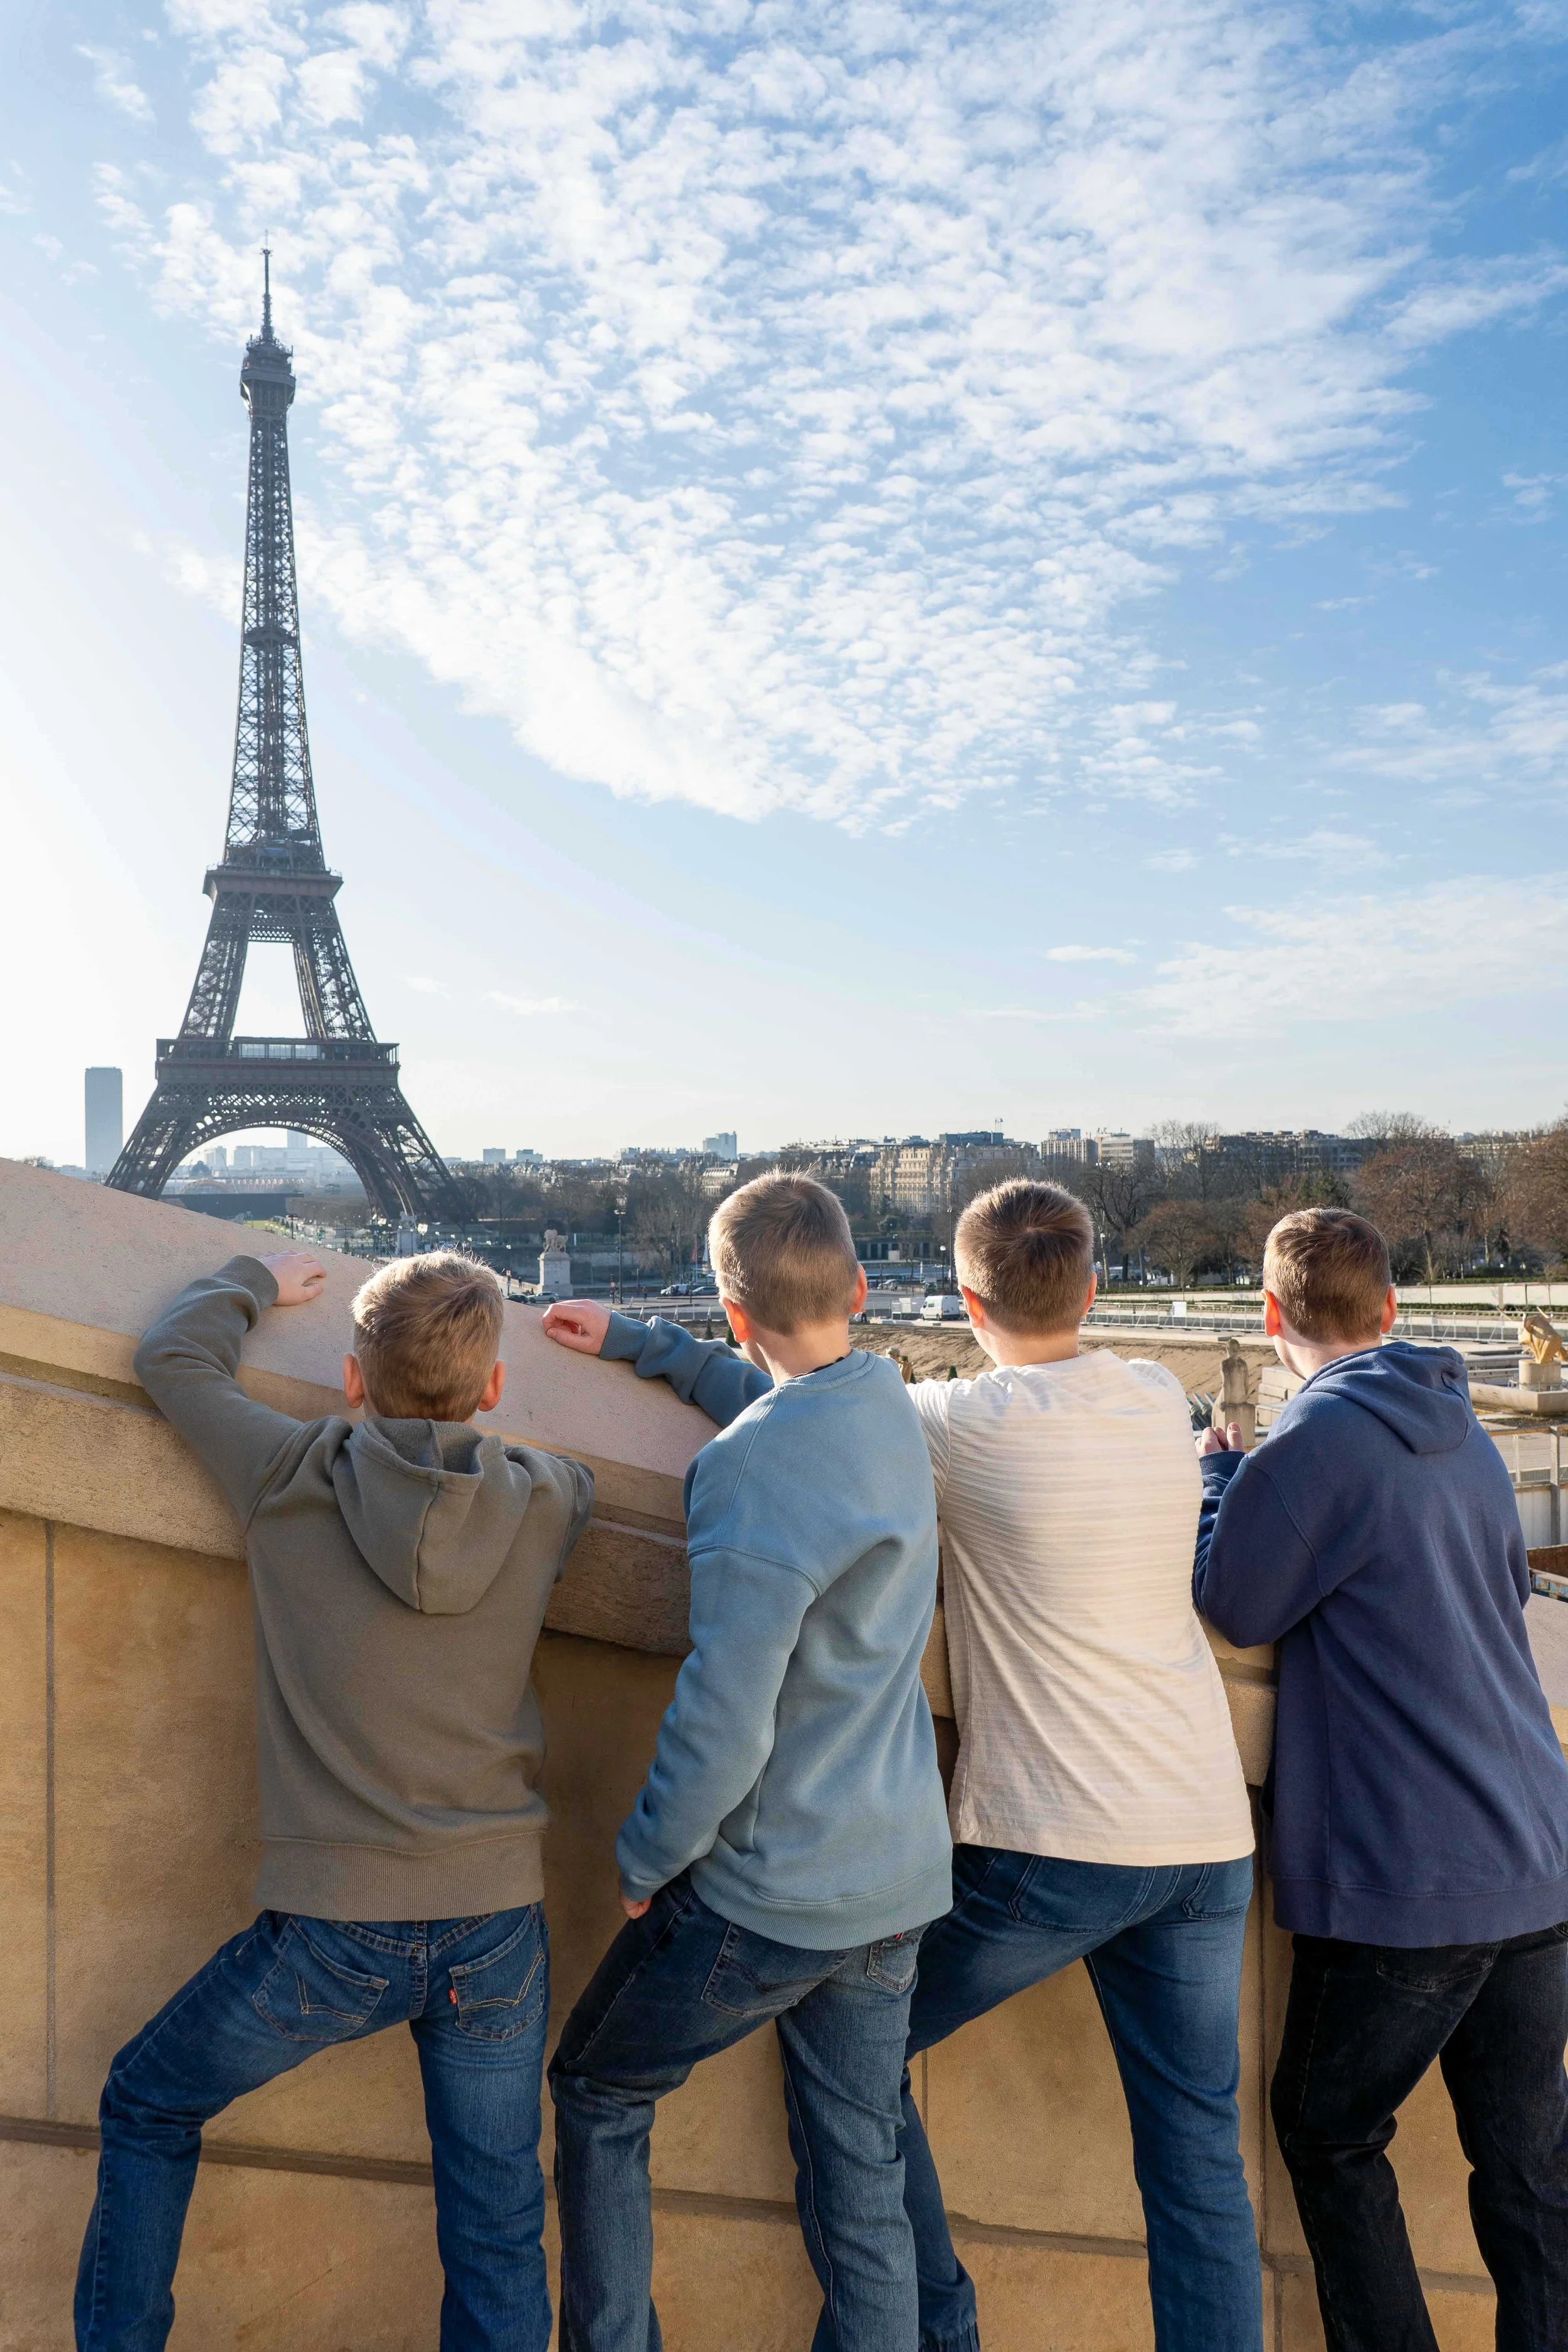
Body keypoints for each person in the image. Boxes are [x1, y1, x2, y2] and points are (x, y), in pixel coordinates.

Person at [77, 1248, 593, 2352]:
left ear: (352, 1379)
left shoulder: (288, 1474)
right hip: (496, 1921)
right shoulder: (546, 1500)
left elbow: (173, 1356)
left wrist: (255, 1274)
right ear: (494, 1388)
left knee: (145, 2101)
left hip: (332, 1930)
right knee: (497, 2222)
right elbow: (577, 1482)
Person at [541, 1172, 951, 2352]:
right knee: (859, 2173)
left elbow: (726, 1712)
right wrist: (646, 1345)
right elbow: (789, 1406)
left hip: (771, 1890)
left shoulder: (749, 1468)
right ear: (861, 1289)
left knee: (601, 2091)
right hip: (895, 1874)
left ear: (734, 1310)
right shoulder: (884, 1402)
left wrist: (647, 1851)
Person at [897, 1179, 1263, 2352]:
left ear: (966, 1299)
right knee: (1198, 2156)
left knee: (854, 2046)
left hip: (1052, 1841)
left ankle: (941, 2325)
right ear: (1096, 1289)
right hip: (1205, 1829)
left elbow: (793, 1396)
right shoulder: (1156, 1395)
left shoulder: (955, 1425)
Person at [1195, 1207, 1568, 2352]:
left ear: (1270, 1318)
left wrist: (1220, 1477)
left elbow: (1237, 1603)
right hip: (1537, 1853)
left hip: (1409, 1875)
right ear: (1393, 1308)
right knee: (1528, 2169)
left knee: (1328, 2131)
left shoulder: (1312, 1447)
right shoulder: (1465, 1434)